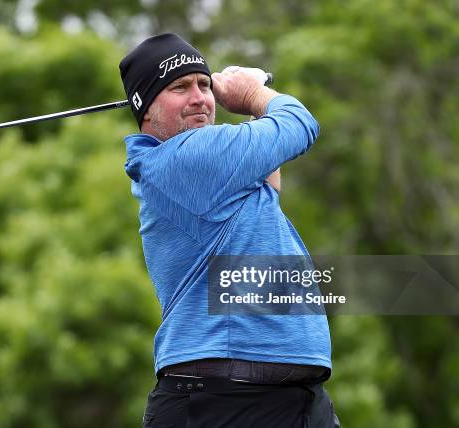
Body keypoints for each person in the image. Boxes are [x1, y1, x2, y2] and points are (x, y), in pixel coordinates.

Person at [120, 33, 340, 427]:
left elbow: (270, 178)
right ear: (146, 109)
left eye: (205, 84)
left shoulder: (213, 168)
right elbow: (299, 125)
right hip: (221, 400)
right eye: (179, 87)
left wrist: (257, 96)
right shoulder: (181, 159)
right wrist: (252, 93)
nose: (199, 97)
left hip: (294, 401)